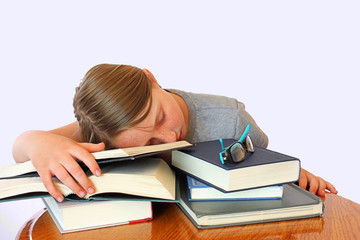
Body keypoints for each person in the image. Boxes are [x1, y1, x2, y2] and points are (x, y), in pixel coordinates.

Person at [12, 64, 338, 202]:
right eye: (150, 145)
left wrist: (295, 173)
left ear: (151, 78)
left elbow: (264, 164)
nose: (169, 138)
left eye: (160, 117)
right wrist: (34, 140)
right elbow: (24, 148)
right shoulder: (105, 130)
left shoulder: (230, 119)